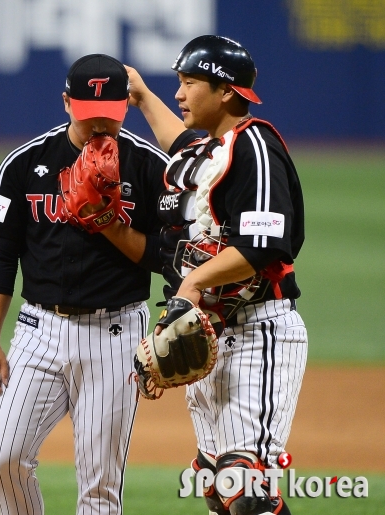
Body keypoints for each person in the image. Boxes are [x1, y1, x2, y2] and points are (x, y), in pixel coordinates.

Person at [0, 54, 169, 514]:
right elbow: (0, 256)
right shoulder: (24, 162)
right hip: (38, 330)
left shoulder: (148, 165)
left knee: (99, 485)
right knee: (4, 457)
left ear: (127, 104)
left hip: (116, 334)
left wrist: (110, 225)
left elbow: (169, 256)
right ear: (65, 103)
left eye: (112, 113)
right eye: (88, 112)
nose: (100, 122)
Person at [127, 35, 307, 514]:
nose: (179, 95)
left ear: (226, 91)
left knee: (246, 491)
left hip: (257, 330)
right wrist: (142, 97)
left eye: (188, 84)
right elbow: (179, 141)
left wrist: (190, 285)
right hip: (208, 334)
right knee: (219, 488)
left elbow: (263, 245)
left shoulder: (255, 146)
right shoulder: (207, 150)